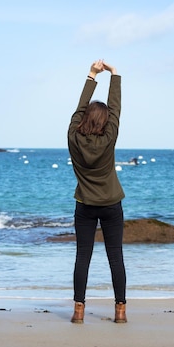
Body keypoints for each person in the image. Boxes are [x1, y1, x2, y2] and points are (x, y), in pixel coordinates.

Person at [67, 60, 127, 324]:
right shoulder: (109, 137)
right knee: (115, 257)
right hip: (112, 203)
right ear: (106, 123)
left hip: (85, 204)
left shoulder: (73, 137)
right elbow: (115, 110)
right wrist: (115, 75)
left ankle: (79, 311)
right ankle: (120, 312)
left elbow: (79, 110)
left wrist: (92, 75)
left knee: (83, 256)